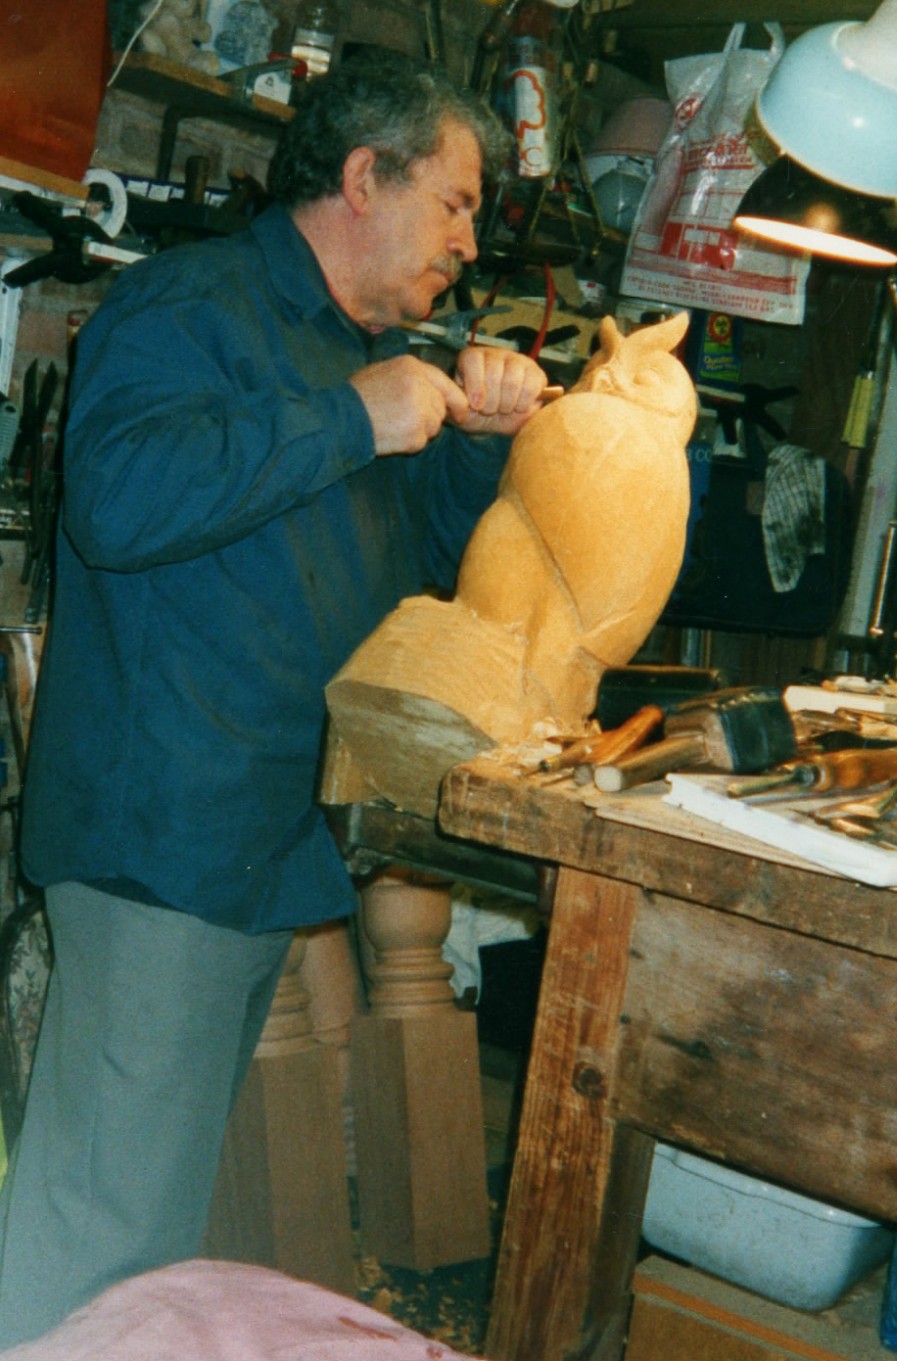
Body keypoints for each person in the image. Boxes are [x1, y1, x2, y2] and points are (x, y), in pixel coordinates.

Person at [0, 49, 549, 1346]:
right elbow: (118, 502)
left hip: (259, 837)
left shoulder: (366, 353)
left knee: (150, 1229)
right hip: (160, 843)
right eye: (456, 202)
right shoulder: (189, 306)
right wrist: (352, 419)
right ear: (365, 178)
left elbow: (422, 560)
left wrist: (478, 449)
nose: (469, 242)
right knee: (104, 1229)